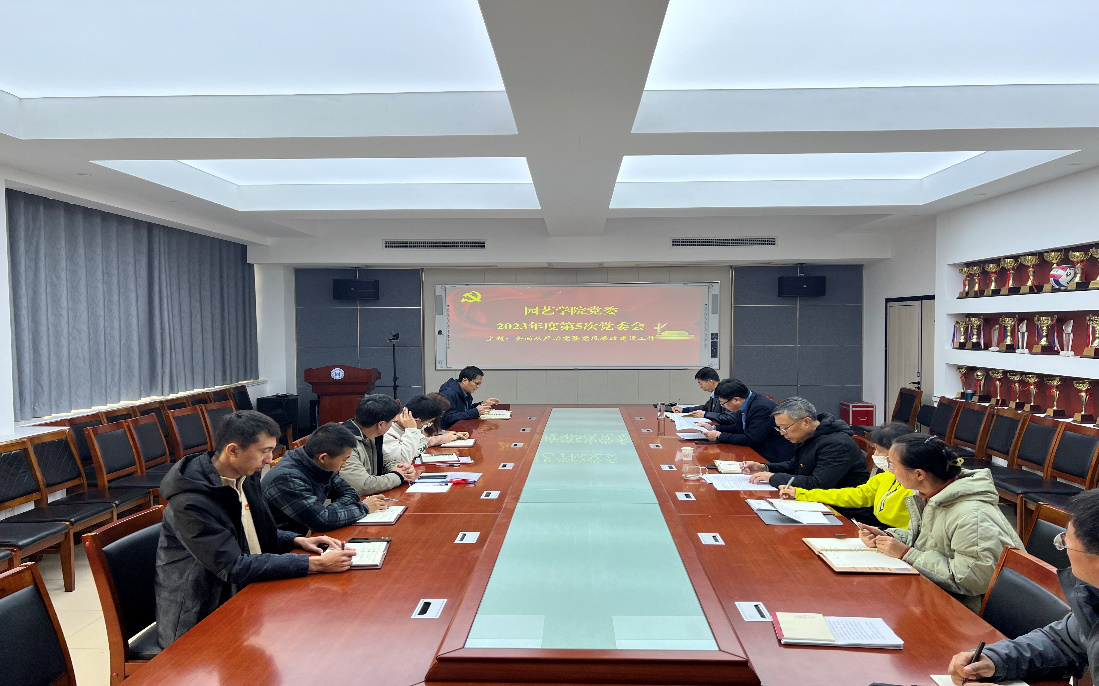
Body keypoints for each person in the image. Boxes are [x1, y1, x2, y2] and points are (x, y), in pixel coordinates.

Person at [154, 411, 356, 649]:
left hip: (247, 593)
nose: (270, 460)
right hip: (203, 613)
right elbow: (232, 565)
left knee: (324, 624)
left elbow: (246, 534)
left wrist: (296, 540)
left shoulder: (245, 476)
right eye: (264, 451)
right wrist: (315, 564)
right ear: (233, 450)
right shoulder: (190, 502)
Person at [946, 490, 1099, 684]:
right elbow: (1063, 642)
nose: (1065, 552)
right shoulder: (1092, 594)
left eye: (1066, 544)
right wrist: (996, 660)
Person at [859, 433, 1022, 612]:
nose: (890, 471)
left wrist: (906, 553)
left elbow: (971, 579)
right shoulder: (932, 495)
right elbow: (928, 542)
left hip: (971, 610)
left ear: (919, 474)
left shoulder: (972, 516)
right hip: (940, 593)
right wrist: (888, 537)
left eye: (893, 465)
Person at [779, 422, 915, 528]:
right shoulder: (885, 476)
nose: (875, 455)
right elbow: (856, 495)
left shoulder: (915, 485)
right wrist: (802, 494)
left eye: (879, 450)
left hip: (900, 537)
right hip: (882, 531)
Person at [262, 423, 386, 535]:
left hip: (310, 536)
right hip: (285, 545)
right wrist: (364, 507)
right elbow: (323, 522)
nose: (344, 465)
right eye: (344, 460)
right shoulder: (287, 478)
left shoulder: (319, 464)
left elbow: (350, 493)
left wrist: (327, 513)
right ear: (323, 458)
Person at [743, 397, 870, 492]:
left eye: (785, 428)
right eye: (779, 428)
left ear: (806, 422)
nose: (782, 433)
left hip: (842, 511)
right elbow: (795, 465)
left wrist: (773, 477)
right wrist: (765, 468)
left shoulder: (836, 444)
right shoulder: (811, 435)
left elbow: (818, 484)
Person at [700, 379, 794, 464]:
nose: (723, 406)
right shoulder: (746, 402)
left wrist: (720, 436)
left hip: (772, 456)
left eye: (723, 403)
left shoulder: (761, 408)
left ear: (736, 400)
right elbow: (738, 427)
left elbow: (751, 439)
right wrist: (714, 428)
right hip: (757, 451)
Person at [341, 394, 417, 497]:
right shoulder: (343, 443)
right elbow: (363, 486)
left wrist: (403, 469)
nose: (392, 424)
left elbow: (388, 461)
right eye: (392, 421)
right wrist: (399, 476)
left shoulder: (372, 435)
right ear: (380, 424)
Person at [383, 394, 443, 464]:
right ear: (417, 420)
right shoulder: (387, 431)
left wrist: (413, 451)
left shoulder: (413, 429)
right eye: (429, 422)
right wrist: (411, 430)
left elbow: (423, 443)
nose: (428, 425)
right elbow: (403, 460)